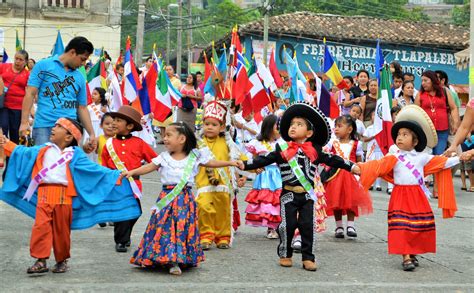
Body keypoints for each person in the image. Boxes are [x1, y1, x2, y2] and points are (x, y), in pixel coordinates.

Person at [0, 118, 141, 274]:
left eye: (59, 126)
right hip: (44, 195)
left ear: (68, 137)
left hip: (64, 197)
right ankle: (41, 260)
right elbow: (23, 152)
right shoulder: (43, 149)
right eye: (54, 125)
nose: (53, 128)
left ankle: (61, 260)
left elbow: (94, 169)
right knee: (40, 228)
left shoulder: (75, 155)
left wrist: (115, 175)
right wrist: (6, 143)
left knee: (62, 231)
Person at [239, 101, 360, 271]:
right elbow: (264, 159)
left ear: (309, 132)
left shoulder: (315, 150)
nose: (293, 127)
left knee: (307, 226)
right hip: (288, 194)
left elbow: (333, 159)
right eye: (292, 124)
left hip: (307, 196)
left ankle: (308, 257)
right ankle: (285, 254)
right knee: (286, 226)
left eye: (299, 124)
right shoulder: (282, 148)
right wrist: (245, 164)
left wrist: (352, 166)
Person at [126, 122, 240, 275]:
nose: (164, 139)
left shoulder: (194, 156)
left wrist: (230, 162)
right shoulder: (164, 157)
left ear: (182, 139)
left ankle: (177, 260)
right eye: (164, 135)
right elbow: (149, 167)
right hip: (166, 198)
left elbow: (211, 163)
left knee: (180, 228)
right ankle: (163, 257)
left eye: (168, 135)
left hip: (185, 200)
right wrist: (131, 172)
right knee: (165, 228)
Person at [357, 105, 459, 271]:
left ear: (415, 141)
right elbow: (377, 166)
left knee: (418, 225)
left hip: (417, 196)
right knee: (402, 226)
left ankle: (413, 252)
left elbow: (442, 162)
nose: (400, 138)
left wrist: (461, 157)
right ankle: (405, 256)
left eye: (405, 135)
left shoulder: (422, 158)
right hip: (400, 195)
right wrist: (359, 167)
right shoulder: (393, 157)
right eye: (398, 134)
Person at [19, 36, 96, 149]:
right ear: (72, 52)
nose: (83, 64)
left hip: (69, 130)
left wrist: (92, 133)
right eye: (82, 59)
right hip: (44, 126)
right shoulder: (43, 65)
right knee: (43, 163)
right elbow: (30, 93)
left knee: (66, 165)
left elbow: (82, 108)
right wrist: (24, 122)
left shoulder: (79, 77)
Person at [101, 106, 158, 253]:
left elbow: (156, 160)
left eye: (118, 120)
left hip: (134, 185)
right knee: (122, 212)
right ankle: (121, 240)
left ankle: (125, 234)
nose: (113, 123)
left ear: (130, 126)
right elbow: (104, 165)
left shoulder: (139, 143)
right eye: (114, 119)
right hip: (117, 184)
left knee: (136, 212)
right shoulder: (108, 145)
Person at [195, 100, 244, 250]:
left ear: (222, 127)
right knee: (203, 207)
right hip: (204, 183)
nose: (209, 127)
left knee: (223, 211)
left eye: (214, 124)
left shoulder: (227, 142)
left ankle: (223, 236)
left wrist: (250, 170)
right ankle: (206, 236)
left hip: (224, 184)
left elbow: (239, 158)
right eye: (207, 123)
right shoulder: (198, 143)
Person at [323, 115, 372, 238]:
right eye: (335, 127)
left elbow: (360, 161)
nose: (336, 129)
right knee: (336, 201)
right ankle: (339, 226)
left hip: (351, 176)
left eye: (340, 126)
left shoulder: (356, 144)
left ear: (350, 129)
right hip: (335, 176)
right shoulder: (333, 144)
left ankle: (351, 225)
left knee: (352, 201)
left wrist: (362, 173)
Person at [243, 114, 282, 239]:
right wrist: (255, 168)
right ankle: (271, 228)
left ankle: (278, 225)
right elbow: (252, 159)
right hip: (264, 175)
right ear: (269, 128)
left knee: (278, 201)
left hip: (278, 174)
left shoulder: (282, 143)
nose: (280, 130)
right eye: (277, 127)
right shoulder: (257, 143)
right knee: (267, 202)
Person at [415, 70, 460, 156]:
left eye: (425, 80)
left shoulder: (444, 91)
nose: (423, 83)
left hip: (442, 130)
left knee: (439, 154)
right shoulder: (420, 94)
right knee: (427, 155)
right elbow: (416, 111)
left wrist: (455, 123)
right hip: (426, 131)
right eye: (422, 81)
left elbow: (453, 108)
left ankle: (437, 169)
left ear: (433, 80)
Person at [0, 50, 30, 145]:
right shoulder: (4, 66)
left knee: (15, 133)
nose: (17, 61)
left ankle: (12, 157)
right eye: (16, 58)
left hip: (18, 107)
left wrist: (30, 111)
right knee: (3, 128)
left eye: (20, 59)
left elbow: (29, 93)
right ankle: (3, 153)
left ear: (25, 62)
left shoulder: (27, 74)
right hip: (3, 104)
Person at [362, 111, 384, 191]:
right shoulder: (369, 128)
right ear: (371, 117)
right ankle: (370, 183)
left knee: (379, 168)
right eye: (374, 115)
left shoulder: (382, 129)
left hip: (379, 151)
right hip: (371, 152)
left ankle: (378, 185)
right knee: (370, 168)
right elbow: (365, 139)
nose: (375, 117)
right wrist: (374, 136)